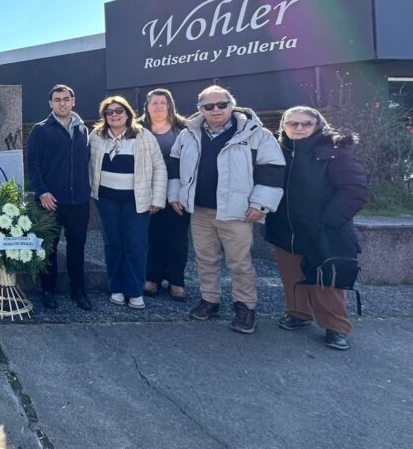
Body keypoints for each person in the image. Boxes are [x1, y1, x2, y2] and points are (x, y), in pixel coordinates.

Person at [168, 85, 285, 334]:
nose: (215, 110)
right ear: (200, 109)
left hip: (238, 211)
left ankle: (245, 307)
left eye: (221, 104)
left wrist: (260, 203)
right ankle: (210, 300)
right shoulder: (189, 133)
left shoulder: (255, 133)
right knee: (205, 258)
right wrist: (174, 194)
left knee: (239, 262)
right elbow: (175, 165)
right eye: (208, 106)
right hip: (200, 210)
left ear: (232, 105)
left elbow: (272, 168)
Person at [264, 106, 369, 350]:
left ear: (317, 126)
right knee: (292, 275)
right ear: (283, 126)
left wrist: (328, 221)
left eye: (306, 123)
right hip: (285, 228)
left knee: (327, 281)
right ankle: (298, 313)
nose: (298, 128)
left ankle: (336, 327)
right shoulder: (278, 151)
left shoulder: (334, 152)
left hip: (324, 230)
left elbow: (355, 190)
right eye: (292, 123)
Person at [88, 96, 167, 309]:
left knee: (135, 244)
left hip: (137, 200)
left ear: (128, 113)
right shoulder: (96, 136)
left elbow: (159, 167)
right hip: (106, 199)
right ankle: (116, 288)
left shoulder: (143, 136)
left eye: (119, 111)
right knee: (113, 243)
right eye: (109, 112)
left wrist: (157, 198)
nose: (114, 115)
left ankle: (134, 290)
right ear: (104, 116)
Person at [25, 84, 93, 310]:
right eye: (57, 99)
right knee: (48, 248)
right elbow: (32, 165)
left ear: (73, 100)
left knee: (77, 247)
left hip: (79, 201)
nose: (62, 103)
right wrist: (42, 191)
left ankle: (78, 291)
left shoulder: (83, 130)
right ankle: (48, 290)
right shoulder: (41, 129)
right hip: (50, 201)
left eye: (66, 99)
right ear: (50, 104)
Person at [140, 88, 191, 301]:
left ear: (170, 105)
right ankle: (152, 277)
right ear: (147, 107)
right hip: (148, 191)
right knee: (152, 236)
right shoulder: (138, 129)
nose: (159, 106)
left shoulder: (184, 129)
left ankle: (176, 281)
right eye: (154, 103)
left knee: (177, 238)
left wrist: (177, 191)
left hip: (179, 192)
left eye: (163, 102)